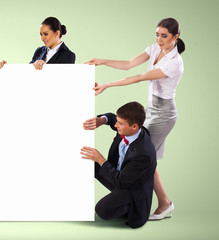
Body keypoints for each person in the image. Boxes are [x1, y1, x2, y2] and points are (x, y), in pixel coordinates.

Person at [84, 18, 184, 220]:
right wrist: (102, 61)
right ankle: (163, 202)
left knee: (144, 157)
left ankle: (142, 200)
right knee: (149, 160)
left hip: (164, 114)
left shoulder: (175, 63)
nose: (159, 39)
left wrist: (107, 85)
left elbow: (139, 77)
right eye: (157, 34)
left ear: (175, 37)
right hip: (151, 108)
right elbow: (129, 64)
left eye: (164, 36)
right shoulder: (155, 49)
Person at [81, 101, 156, 228]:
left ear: (134, 127)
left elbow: (120, 181)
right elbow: (111, 118)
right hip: (120, 175)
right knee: (86, 162)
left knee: (102, 210)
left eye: (120, 123)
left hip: (131, 188)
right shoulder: (132, 129)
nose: (116, 125)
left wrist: (100, 159)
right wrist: (102, 120)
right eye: (117, 121)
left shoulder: (144, 153)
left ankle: (129, 208)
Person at [0, 17, 75, 70]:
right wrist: (4, 68)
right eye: (41, 34)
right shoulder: (39, 50)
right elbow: (27, 73)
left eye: (46, 34)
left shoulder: (68, 55)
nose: (42, 38)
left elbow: (62, 79)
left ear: (57, 33)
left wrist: (45, 67)